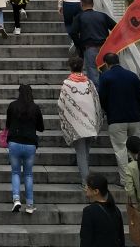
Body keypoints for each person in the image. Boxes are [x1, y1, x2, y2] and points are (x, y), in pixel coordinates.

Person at [96, 52, 140, 184]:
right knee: (137, 148)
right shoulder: (132, 76)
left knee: (121, 149)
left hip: (116, 119)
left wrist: (105, 110)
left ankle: (126, 180)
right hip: (135, 117)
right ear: (118, 61)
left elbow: (101, 97)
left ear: (107, 64)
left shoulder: (105, 77)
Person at [57, 55, 102, 187]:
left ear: (70, 67)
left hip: (76, 124)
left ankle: (86, 182)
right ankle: (86, 177)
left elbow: (61, 104)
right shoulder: (89, 83)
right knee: (86, 152)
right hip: (90, 122)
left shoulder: (67, 84)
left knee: (81, 153)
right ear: (82, 66)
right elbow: (96, 101)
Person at [5, 82, 45, 214]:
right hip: (30, 144)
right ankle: (29, 204)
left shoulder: (12, 106)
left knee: (15, 172)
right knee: (28, 174)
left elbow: (8, 124)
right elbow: (41, 128)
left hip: (14, 143)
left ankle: (16, 199)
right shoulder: (35, 108)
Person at [70, 0, 117, 81]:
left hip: (90, 48)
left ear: (81, 4)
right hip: (104, 49)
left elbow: (73, 33)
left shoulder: (79, 17)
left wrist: (79, 45)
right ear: (93, 3)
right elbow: (116, 28)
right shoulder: (102, 15)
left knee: (93, 75)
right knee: (107, 74)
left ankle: (97, 94)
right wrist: (111, 43)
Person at [79, 173, 124, 247]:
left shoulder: (89, 211)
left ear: (96, 191)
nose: (86, 188)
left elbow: (86, 239)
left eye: (88, 186)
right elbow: (121, 237)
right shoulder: (116, 210)